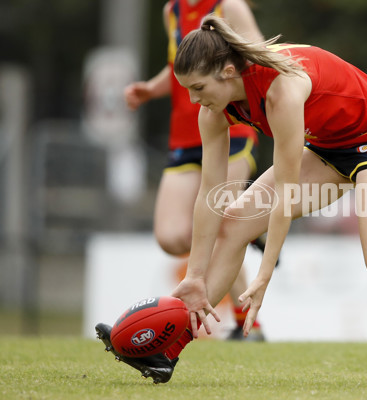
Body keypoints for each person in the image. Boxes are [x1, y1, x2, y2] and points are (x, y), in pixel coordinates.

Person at [107, 14, 367, 387]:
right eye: (188, 90)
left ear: (227, 71)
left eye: (198, 87)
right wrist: (196, 276)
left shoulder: (281, 91)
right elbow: (209, 197)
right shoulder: (213, 110)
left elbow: (287, 193)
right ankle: (168, 351)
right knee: (234, 220)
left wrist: (265, 275)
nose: (194, 99)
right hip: (329, 148)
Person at [95, 0, 267, 379]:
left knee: (223, 220)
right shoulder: (171, 10)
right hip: (186, 136)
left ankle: (243, 324)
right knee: (173, 236)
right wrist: (150, 90)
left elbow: (259, 58)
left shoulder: (229, 6)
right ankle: (247, 229)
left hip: (232, 126)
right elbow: (182, 69)